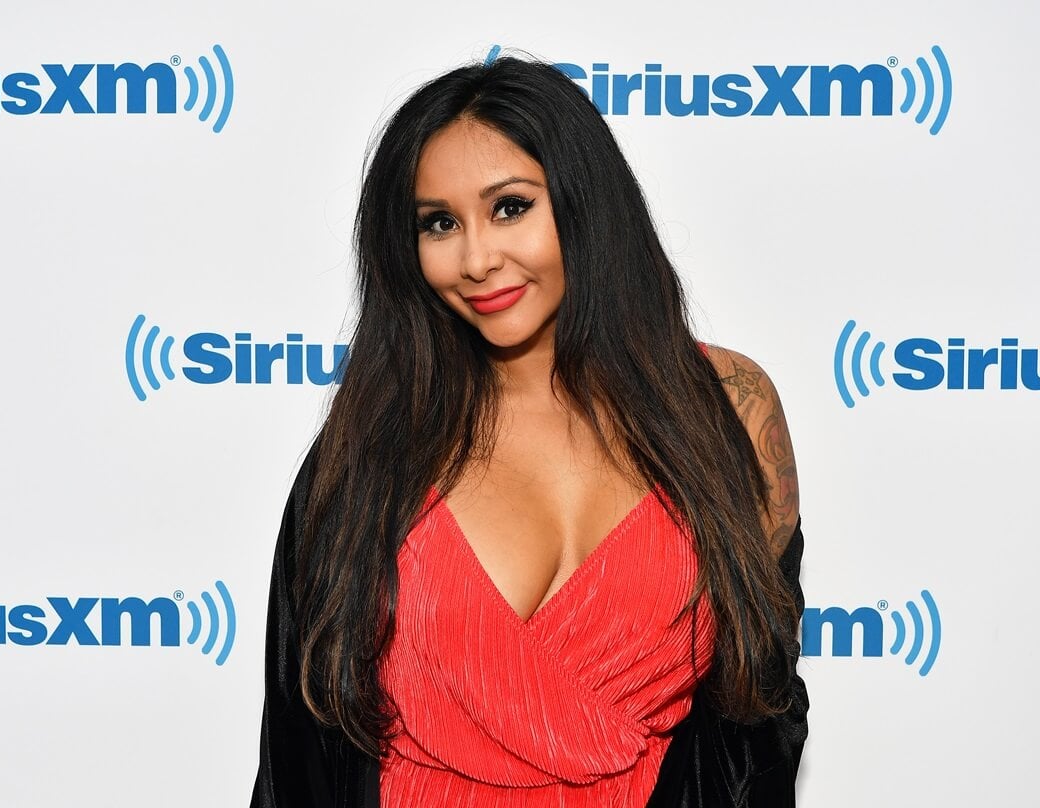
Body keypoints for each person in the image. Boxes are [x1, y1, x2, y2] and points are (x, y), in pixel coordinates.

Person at [251, 53, 807, 807]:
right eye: (439, 223)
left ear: (582, 203)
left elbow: (761, 714)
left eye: (510, 207)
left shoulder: (730, 404)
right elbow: (300, 746)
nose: (478, 258)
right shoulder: (374, 442)